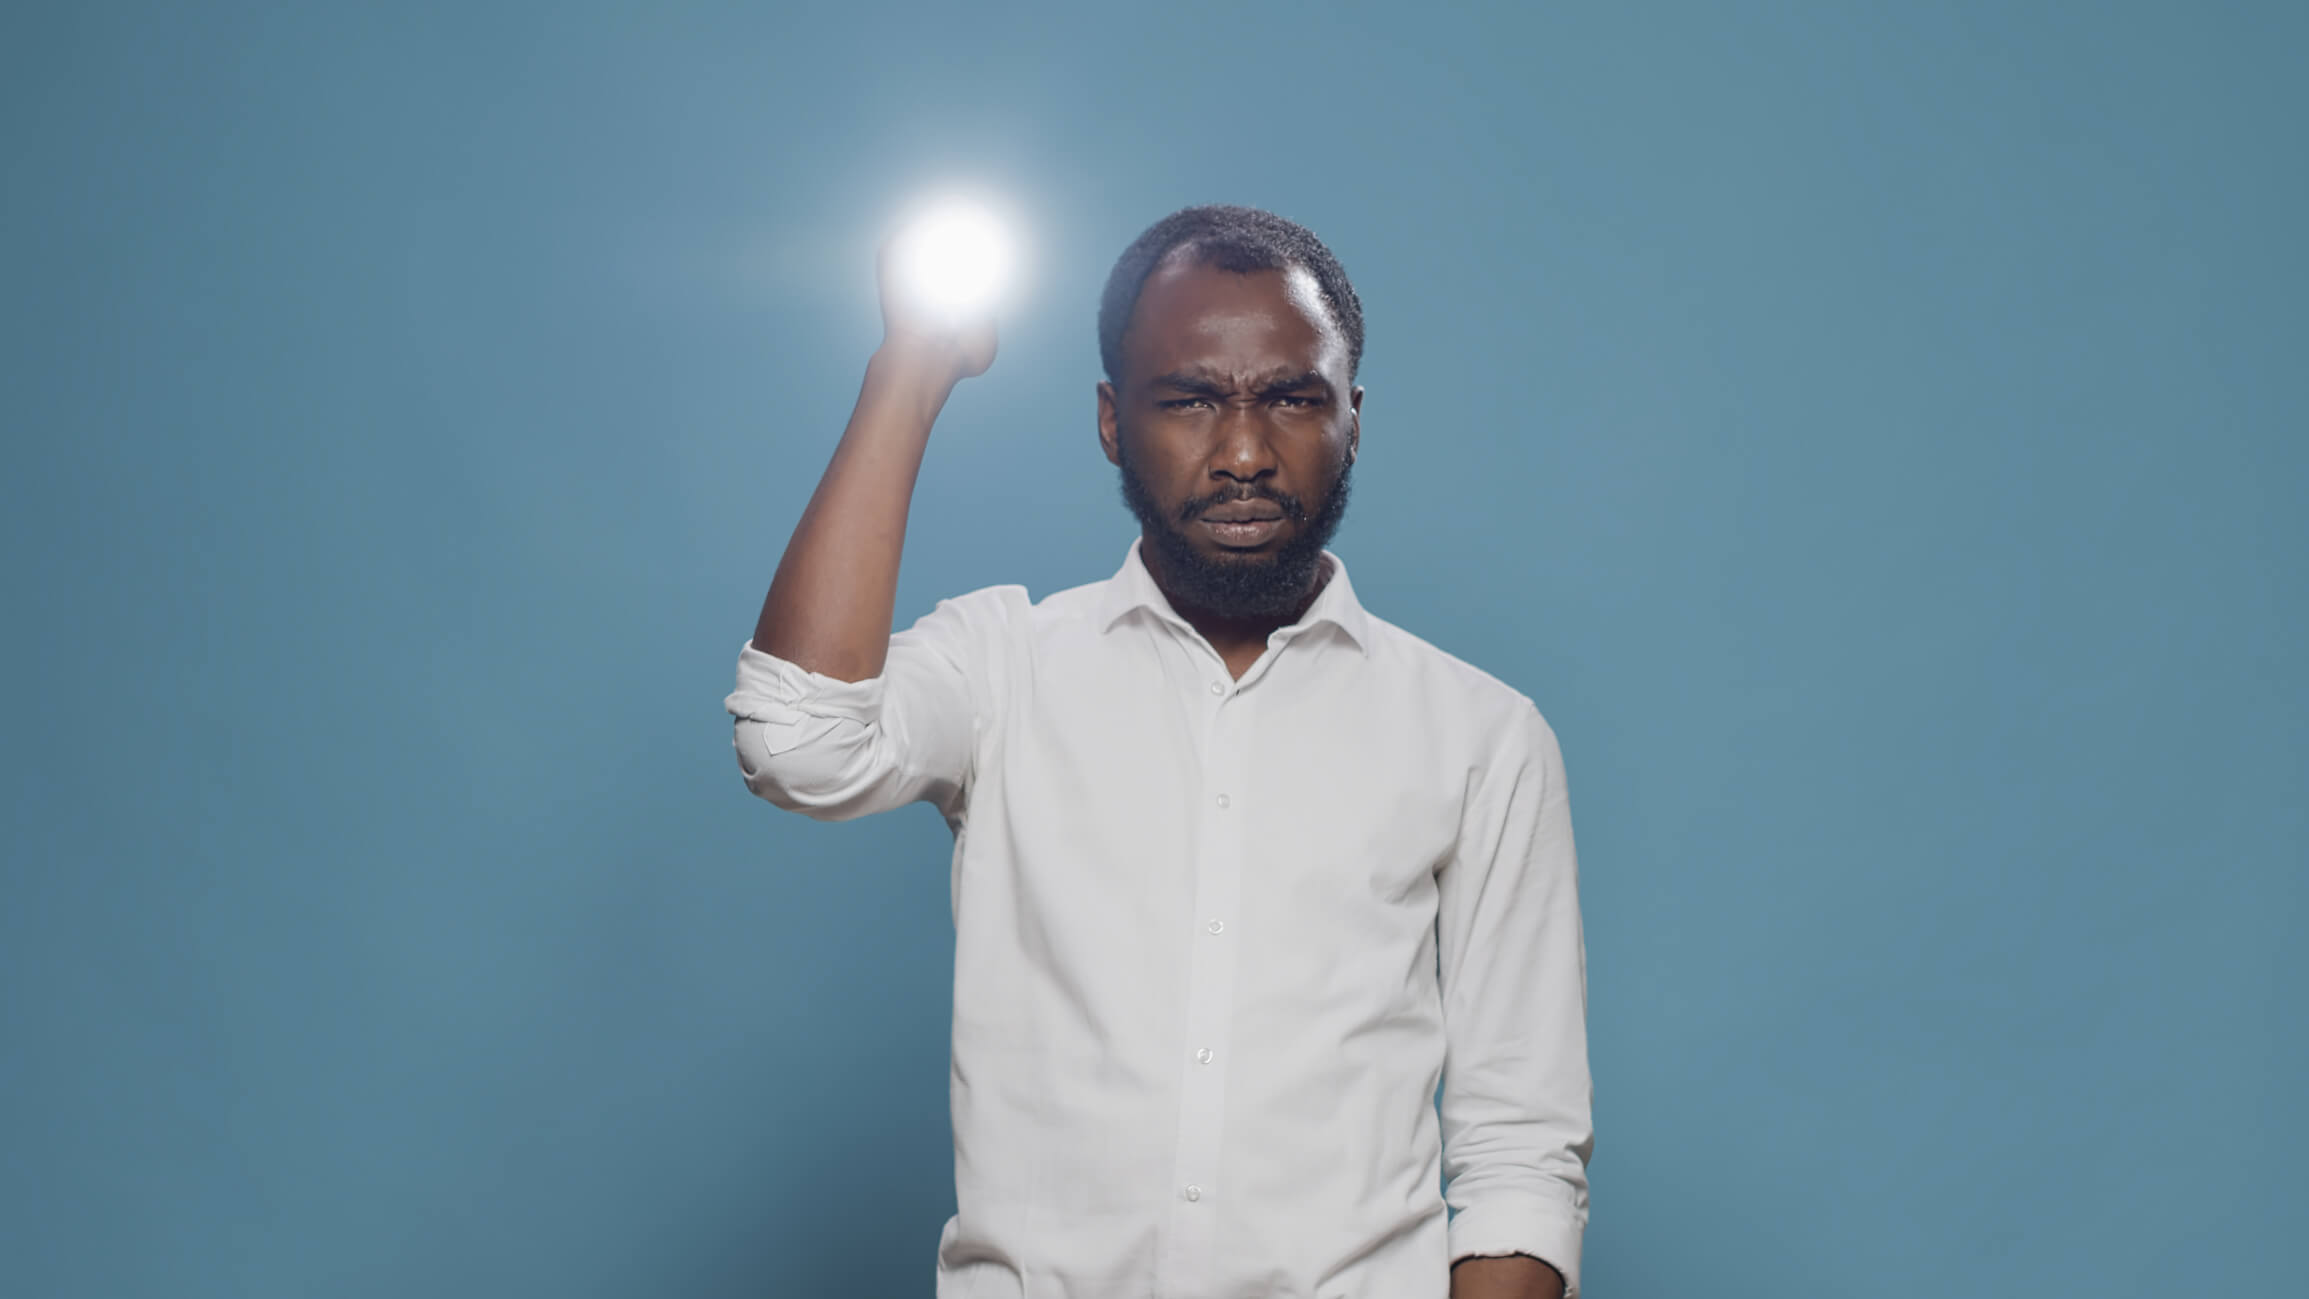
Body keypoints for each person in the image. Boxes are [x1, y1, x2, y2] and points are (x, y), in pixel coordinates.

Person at [725, 204, 1593, 1299]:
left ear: (1353, 420)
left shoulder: (1480, 735)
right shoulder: (1004, 671)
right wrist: (914, 365)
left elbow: (1519, 1151)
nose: (1241, 452)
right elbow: (797, 747)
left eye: (1290, 398)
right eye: (1186, 400)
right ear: (1109, 421)